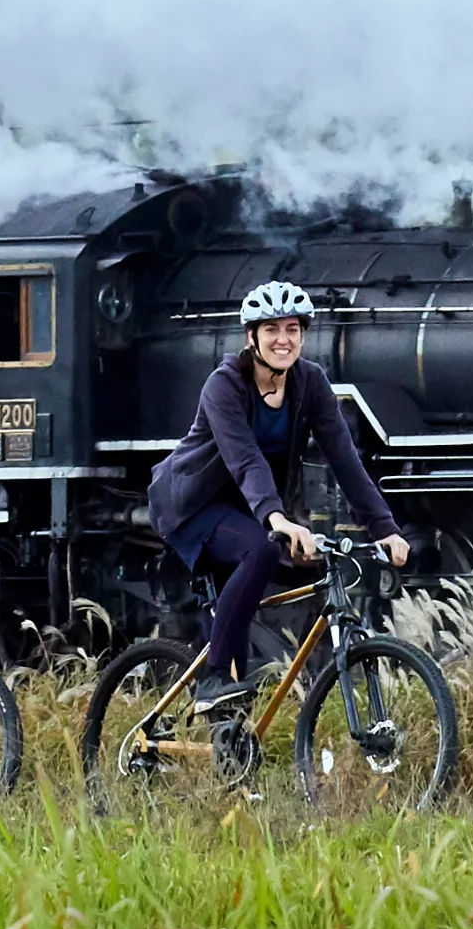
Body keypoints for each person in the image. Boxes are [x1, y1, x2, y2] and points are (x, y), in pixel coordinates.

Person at [142, 281, 408, 691]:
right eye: (271, 330)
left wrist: (385, 527)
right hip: (192, 505)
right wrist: (279, 519)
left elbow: (345, 458)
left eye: (292, 329)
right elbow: (244, 458)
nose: (283, 340)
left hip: (248, 509)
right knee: (261, 548)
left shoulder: (310, 382)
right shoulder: (224, 385)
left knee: (284, 575)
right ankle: (213, 679)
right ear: (251, 337)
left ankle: (233, 736)